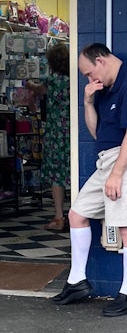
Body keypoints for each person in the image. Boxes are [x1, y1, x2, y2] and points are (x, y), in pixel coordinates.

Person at [53, 43, 127, 316]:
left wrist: (118, 174)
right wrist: (87, 101)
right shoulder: (105, 89)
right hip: (107, 161)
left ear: (101, 60)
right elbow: (96, 131)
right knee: (77, 214)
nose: (89, 79)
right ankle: (77, 281)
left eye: (89, 73)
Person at [26, 42, 70, 231]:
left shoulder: (51, 82)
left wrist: (26, 79)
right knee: (74, 173)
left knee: (56, 177)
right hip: (72, 133)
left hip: (54, 134)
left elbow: (36, 88)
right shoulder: (73, 81)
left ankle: (59, 216)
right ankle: (77, 215)